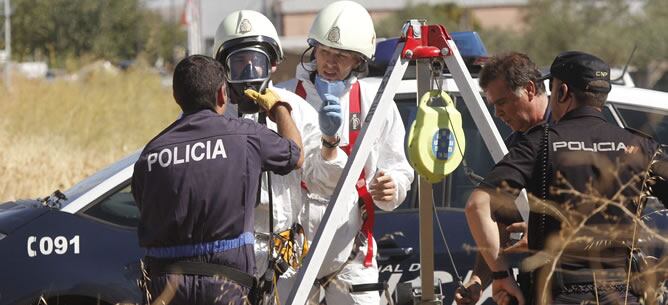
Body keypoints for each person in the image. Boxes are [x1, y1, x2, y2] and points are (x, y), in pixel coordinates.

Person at [464, 51, 668, 305]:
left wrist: (501, 273)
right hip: (624, 294)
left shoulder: (541, 143)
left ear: (562, 92)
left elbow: (478, 205)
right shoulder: (640, 145)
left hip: (559, 294)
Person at [131, 54, 303, 305]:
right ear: (223, 94)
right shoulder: (245, 136)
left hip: (166, 287)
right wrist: (279, 108)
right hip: (227, 284)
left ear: (176, 97)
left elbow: (142, 201)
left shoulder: (153, 151)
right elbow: (295, 155)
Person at [278, 1, 414, 304]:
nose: (330, 62)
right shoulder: (283, 98)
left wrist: (392, 186)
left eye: (341, 56)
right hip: (292, 254)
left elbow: (399, 168)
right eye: (325, 51)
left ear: (358, 60)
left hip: (352, 253)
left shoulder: (376, 102)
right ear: (313, 50)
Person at [212, 9, 348, 302]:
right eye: (239, 64)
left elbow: (325, 184)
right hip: (230, 257)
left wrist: (330, 143)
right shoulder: (213, 116)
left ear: (272, 64)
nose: (249, 73)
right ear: (224, 69)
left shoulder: (296, 111)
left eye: (256, 63)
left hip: (284, 261)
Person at [455, 52, 549, 305]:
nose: (498, 113)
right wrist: (478, 280)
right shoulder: (518, 143)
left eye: (503, 103)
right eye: (493, 105)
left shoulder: (570, 134)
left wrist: (546, 233)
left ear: (529, 89)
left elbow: (602, 213)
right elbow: (500, 222)